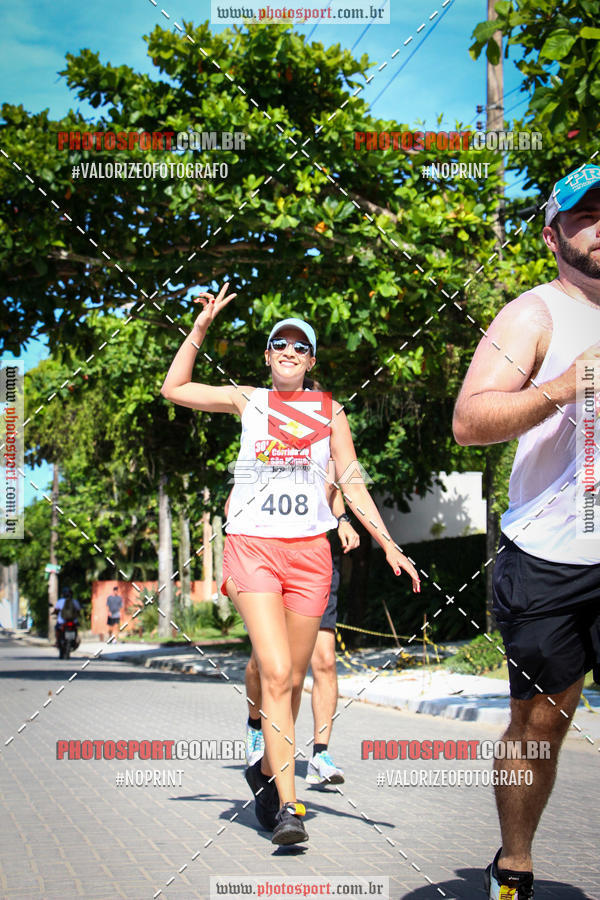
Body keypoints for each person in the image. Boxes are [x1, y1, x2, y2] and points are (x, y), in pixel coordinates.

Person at [161, 283, 420, 847]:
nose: (288, 350)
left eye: (299, 346)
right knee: (276, 672)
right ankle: (287, 805)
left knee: (294, 680)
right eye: (279, 342)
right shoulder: (247, 399)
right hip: (253, 548)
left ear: (311, 360)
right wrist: (201, 328)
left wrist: (388, 542)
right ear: (267, 354)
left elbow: (350, 480)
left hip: (310, 556)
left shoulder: (331, 412)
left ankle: (264, 771)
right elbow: (174, 387)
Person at [453, 164, 600, 900]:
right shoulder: (535, 315)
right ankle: (514, 865)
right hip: (553, 557)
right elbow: (470, 421)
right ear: (553, 235)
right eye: (587, 215)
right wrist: (566, 384)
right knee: (540, 726)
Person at [243, 479, 360, 788]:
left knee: (325, 661)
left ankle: (320, 753)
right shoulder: (269, 440)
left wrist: (343, 520)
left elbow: (335, 485)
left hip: (315, 562)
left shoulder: (328, 436)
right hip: (268, 559)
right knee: (262, 664)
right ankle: (256, 725)